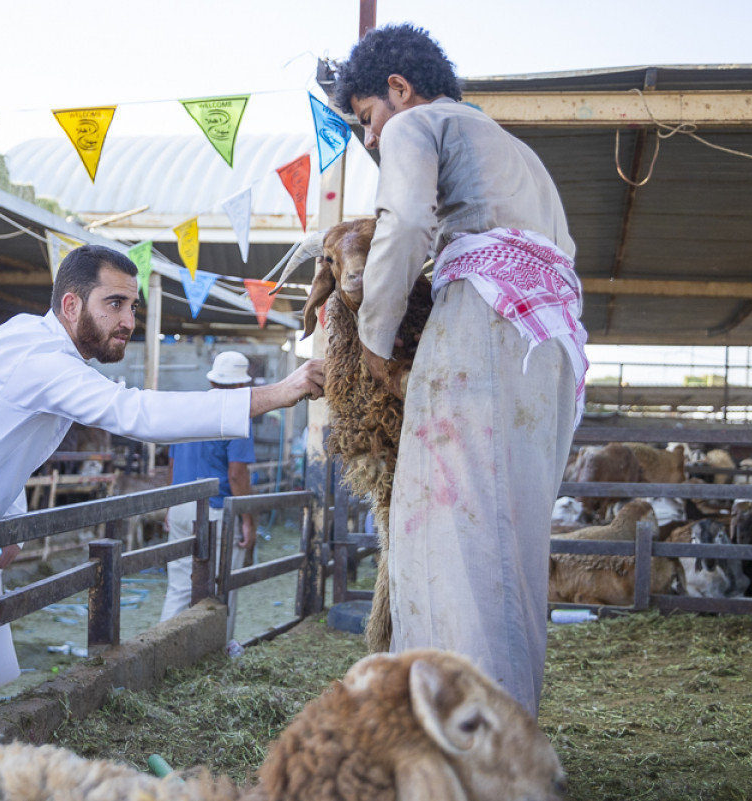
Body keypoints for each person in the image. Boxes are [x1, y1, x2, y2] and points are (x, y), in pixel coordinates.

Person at [0, 244, 323, 771]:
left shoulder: (37, 343)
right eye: (114, 304)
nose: (128, 320)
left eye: (133, 307)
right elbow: (133, 412)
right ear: (71, 305)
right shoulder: (39, 356)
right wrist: (278, 393)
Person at [334, 24, 589, 717]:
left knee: (444, 535)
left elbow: (405, 222)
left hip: (482, 328)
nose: (369, 139)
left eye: (365, 120)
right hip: (553, 339)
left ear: (398, 89)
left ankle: (459, 745)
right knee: (514, 543)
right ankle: (511, 737)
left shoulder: (419, 123)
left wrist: (374, 338)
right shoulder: (518, 153)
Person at [160, 351, 259, 639]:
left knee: (179, 586)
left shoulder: (190, 409)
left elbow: (173, 464)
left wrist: (169, 506)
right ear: (241, 386)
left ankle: (158, 649)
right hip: (215, 512)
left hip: (179, 505)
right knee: (222, 586)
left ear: (213, 380)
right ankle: (220, 649)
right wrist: (248, 519)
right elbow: (237, 474)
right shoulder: (239, 416)